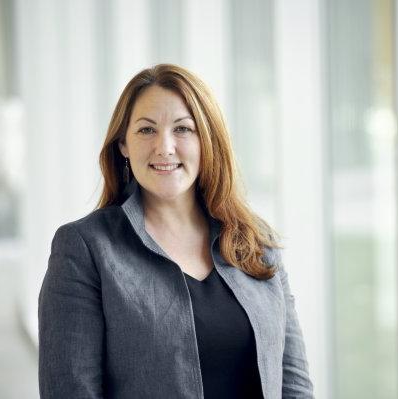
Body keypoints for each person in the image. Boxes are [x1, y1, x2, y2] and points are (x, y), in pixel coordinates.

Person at [38, 64, 314, 398]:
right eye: (146, 130)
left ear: (206, 141)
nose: (165, 147)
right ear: (123, 143)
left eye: (182, 129)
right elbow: (71, 390)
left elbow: (294, 381)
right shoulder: (85, 249)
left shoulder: (254, 240)